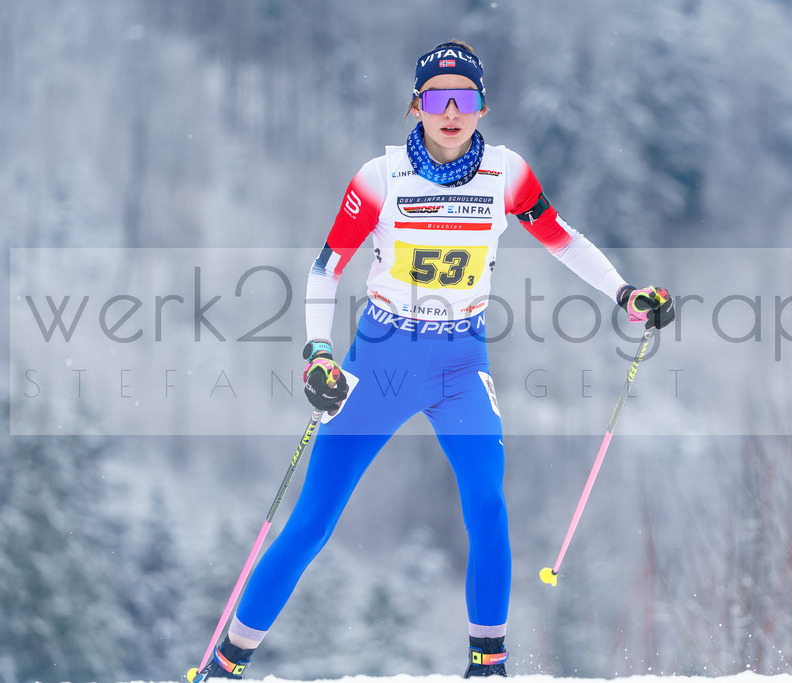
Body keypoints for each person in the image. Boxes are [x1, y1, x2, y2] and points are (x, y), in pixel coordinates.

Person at [192, 39, 674, 680]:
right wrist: (318, 355)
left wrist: (623, 291)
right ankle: (227, 663)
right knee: (311, 522)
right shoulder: (380, 177)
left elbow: (562, 240)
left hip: (459, 365)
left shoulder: (507, 174)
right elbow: (324, 268)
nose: (452, 111)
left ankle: (487, 666)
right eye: (438, 97)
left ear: (482, 106)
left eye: (466, 98)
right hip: (379, 365)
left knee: (487, 505)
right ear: (416, 105)